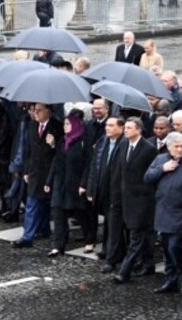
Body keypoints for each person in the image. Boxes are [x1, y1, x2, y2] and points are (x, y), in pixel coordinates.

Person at [144, 132, 182, 295]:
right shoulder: (160, 159)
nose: (179, 149)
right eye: (176, 146)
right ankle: (170, 279)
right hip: (163, 210)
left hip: (181, 212)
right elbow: (147, 177)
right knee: (166, 248)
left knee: (175, 247)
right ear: (168, 147)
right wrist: (162, 169)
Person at [111, 117, 158, 284]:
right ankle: (148, 263)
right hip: (127, 198)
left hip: (143, 200)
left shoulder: (149, 149)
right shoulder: (123, 145)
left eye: (129, 128)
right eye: (126, 128)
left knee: (136, 236)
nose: (126, 130)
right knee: (141, 234)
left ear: (138, 130)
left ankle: (125, 271)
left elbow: (151, 175)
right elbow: (120, 172)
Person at [13, 103, 63, 248]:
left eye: (39, 110)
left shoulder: (57, 126)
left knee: (45, 203)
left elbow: (62, 152)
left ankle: (44, 228)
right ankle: (27, 236)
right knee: (32, 203)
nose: (36, 113)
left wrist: (54, 144)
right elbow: (29, 150)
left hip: (49, 172)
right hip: (35, 171)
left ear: (48, 111)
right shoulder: (32, 125)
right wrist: (27, 170)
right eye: (34, 111)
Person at [47, 112, 92, 257]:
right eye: (64, 124)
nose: (65, 127)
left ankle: (89, 239)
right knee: (58, 214)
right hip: (61, 183)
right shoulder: (62, 141)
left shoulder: (83, 142)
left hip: (76, 184)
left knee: (81, 213)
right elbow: (56, 161)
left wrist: (84, 184)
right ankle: (58, 246)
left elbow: (87, 165)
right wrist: (49, 181)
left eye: (68, 124)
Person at [83, 116, 125, 263]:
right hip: (102, 188)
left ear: (121, 128)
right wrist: (90, 188)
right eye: (107, 125)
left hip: (117, 190)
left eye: (111, 125)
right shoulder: (103, 141)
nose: (107, 128)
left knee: (114, 223)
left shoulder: (124, 143)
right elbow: (94, 165)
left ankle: (113, 255)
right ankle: (107, 249)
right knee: (108, 220)